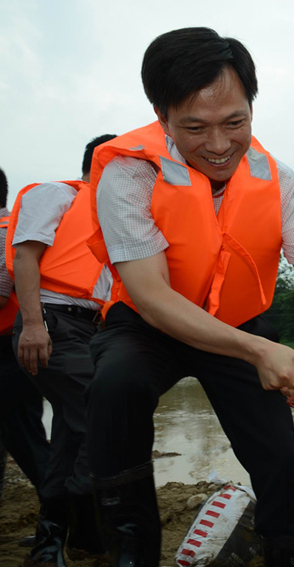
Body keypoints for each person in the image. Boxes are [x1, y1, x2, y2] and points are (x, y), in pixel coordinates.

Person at [86, 27, 294, 566]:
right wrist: (257, 351)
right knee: (114, 387)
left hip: (240, 319)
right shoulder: (131, 172)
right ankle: (130, 549)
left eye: (235, 123)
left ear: (252, 107)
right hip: (147, 325)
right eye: (195, 127)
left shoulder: (279, 179)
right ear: (161, 115)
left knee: (277, 454)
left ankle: (289, 551)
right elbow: (150, 296)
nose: (219, 146)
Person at [7, 135, 116, 564]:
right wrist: (33, 324)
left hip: (91, 329)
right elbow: (24, 256)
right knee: (105, 414)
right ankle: (85, 521)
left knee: (70, 440)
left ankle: (51, 544)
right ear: (102, 163)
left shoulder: (115, 214)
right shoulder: (59, 194)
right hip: (53, 321)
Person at [0, 165, 51, 547]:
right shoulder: (12, 229)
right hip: (18, 347)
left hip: (8, 351)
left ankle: (63, 524)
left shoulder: (3, 234)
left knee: (28, 443)